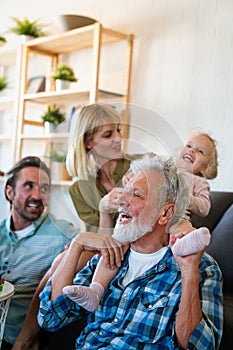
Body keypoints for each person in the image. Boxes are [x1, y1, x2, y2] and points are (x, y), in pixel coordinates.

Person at [38, 154, 223, 349]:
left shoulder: (200, 267)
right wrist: (76, 245)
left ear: (165, 213)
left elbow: (200, 346)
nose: (120, 201)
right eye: (123, 192)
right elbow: (49, 318)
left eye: (136, 195)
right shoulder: (108, 256)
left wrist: (189, 274)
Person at [61, 130, 219, 312]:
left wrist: (180, 195)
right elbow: (144, 180)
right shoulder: (166, 169)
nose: (191, 152)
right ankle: (96, 290)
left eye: (200, 151)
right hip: (152, 218)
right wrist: (133, 178)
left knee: (183, 230)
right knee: (116, 247)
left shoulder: (199, 182)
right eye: (189, 146)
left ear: (206, 167)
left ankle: (183, 248)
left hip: (177, 218)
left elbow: (205, 207)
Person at [0, 156, 78, 350]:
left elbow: (93, 252)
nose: (38, 195)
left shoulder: (63, 233)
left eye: (44, 188)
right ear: (10, 192)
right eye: (29, 186)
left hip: (14, 337)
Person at [66, 103, 142, 232]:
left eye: (119, 130)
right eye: (108, 135)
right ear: (88, 143)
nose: (118, 138)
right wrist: (103, 209)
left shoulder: (142, 163)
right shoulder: (79, 191)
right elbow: (100, 243)